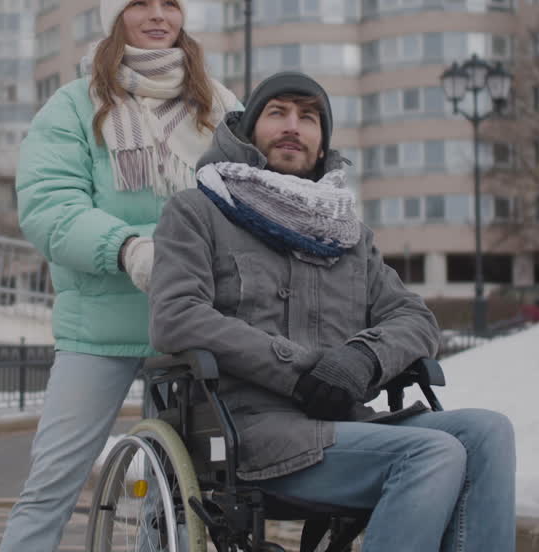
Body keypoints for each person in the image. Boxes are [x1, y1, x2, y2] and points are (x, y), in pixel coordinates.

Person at [149, 72, 517, 552]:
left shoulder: (346, 236)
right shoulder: (198, 211)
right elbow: (176, 316)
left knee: (489, 432)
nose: (292, 127)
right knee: (432, 453)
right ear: (248, 129)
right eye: (277, 112)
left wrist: (362, 359)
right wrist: (297, 371)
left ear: (322, 143)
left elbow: (416, 320)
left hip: (344, 424)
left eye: (308, 118)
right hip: (248, 427)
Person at [0, 0, 241, 552]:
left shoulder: (221, 107)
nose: (157, 16)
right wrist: (127, 248)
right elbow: (50, 208)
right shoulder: (74, 106)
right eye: (141, 3)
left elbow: (249, 198)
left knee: (188, 490)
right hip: (100, 328)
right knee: (51, 482)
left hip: (189, 322)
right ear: (117, 16)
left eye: (169, 3)